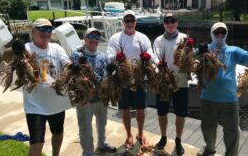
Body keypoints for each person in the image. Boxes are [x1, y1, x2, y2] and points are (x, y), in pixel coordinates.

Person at [197, 22, 248, 156]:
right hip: (208, 98)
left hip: (229, 99)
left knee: (232, 131)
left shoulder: (233, 50)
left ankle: (231, 154)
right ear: (212, 34)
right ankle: (210, 149)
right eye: (217, 32)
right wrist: (199, 51)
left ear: (226, 34)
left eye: (223, 32)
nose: (220, 35)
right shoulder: (205, 49)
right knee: (207, 128)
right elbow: (191, 57)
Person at [107, 10, 156, 149]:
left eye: (132, 20)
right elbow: (108, 57)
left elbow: (151, 55)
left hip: (139, 78)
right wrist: (116, 56)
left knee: (141, 108)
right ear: (123, 22)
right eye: (127, 20)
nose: (129, 23)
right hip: (122, 79)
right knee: (125, 109)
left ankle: (140, 134)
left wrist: (147, 56)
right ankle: (128, 134)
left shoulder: (143, 37)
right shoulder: (115, 38)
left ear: (135, 22)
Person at [24, 18, 72, 156]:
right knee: (37, 141)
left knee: (58, 133)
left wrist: (72, 68)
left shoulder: (56, 48)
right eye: (43, 29)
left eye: (49, 29)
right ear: (33, 31)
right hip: (35, 106)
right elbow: (7, 55)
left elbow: (66, 63)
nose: (47, 32)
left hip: (56, 103)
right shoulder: (27, 48)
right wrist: (14, 49)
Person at [71, 28, 117, 156]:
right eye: (91, 37)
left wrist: (110, 71)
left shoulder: (102, 56)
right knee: (85, 127)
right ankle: (88, 152)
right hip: (85, 100)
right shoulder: (77, 54)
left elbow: (105, 77)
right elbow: (73, 77)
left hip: (101, 97)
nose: (94, 40)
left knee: (102, 123)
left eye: (97, 38)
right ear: (85, 39)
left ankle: (102, 143)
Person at [153, 13, 189, 156]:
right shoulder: (158, 40)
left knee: (180, 113)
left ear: (177, 22)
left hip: (181, 81)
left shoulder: (185, 38)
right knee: (162, 112)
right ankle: (163, 137)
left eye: (172, 21)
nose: (170, 24)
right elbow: (155, 55)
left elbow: (190, 57)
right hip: (163, 81)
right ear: (164, 24)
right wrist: (158, 63)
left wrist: (192, 49)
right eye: (167, 22)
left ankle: (178, 140)